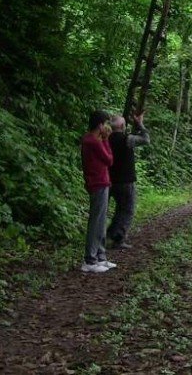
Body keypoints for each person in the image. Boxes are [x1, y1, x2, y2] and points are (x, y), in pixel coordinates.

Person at [79, 110, 117, 273]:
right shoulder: (93, 141)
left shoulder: (92, 140)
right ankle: (90, 259)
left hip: (101, 182)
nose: (107, 127)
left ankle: (100, 256)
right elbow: (109, 159)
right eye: (106, 123)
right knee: (96, 222)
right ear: (100, 125)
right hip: (98, 183)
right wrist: (106, 140)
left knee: (101, 222)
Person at [107, 112, 150, 249]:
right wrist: (140, 124)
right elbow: (145, 139)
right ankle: (118, 238)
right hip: (125, 181)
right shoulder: (128, 139)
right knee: (127, 210)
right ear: (122, 125)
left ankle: (110, 233)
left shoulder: (105, 139)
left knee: (119, 209)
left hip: (108, 180)